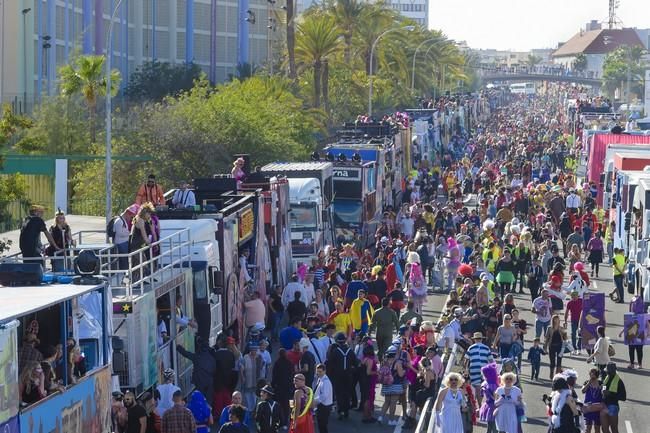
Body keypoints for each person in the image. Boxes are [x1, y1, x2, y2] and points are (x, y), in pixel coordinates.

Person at [326, 332, 357, 420]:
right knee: (347, 393)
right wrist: (351, 371)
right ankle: (346, 411)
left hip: (337, 376)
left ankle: (341, 411)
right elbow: (356, 363)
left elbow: (330, 365)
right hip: (348, 376)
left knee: (339, 394)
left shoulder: (335, 352)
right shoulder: (350, 351)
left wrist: (330, 375)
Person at [177, 337, 216, 406]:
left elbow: (186, 353)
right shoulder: (212, 357)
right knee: (208, 401)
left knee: (199, 400)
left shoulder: (197, 357)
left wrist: (178, 347)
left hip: (200, 382)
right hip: (209, 382)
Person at [464, 332, 493, 400]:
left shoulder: (471, 348)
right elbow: (491, 361)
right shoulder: (486, 348)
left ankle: (478, 406)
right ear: (481, 339)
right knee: (482, 387)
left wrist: (465, 369)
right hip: (484, 370)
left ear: (474, 339)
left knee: (477, 387)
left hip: (473, 369)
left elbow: (466, 360)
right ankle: (480, 404)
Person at [272, 349, 295, 428]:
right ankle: (286, 422)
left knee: (278, 405)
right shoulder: (290, 363)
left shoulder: (277, 363)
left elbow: (274, 376)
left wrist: (273, 385)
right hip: (288, 389)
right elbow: (292, 375)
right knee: (287, 406)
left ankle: (278, 421)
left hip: (278, 388)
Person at [601, 363, 626, 433]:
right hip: (604, 405)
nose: (607, 372)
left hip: (613, 406)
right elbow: (603, 388)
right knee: (604, 429)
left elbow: (623, 397)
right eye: (607, 371)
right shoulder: (606, 378)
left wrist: (610, 393)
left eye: (609, 371)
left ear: (614, 371)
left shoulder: (619, 382)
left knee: (614, 429)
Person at [241, 344, 264, 410]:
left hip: (256, 381)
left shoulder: (259, 357)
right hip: (248, 381)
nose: (254, 351)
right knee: (248, 397)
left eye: (255, 350)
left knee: (255, 398)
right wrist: (242, 377)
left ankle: (253, 410)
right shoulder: (245, 357)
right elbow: (241, 367)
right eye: (253, 350)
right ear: (250, 350)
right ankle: (250, 410)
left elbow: (263, 365)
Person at [359, 345, 378, 423]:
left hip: (364, 380)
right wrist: (377, 372)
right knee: (368, 399)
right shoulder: (370, 360)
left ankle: (367, 416)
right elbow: (368, 372)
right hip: (369, 381)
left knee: (366, 398)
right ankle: (367, 417)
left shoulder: (364, 359)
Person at [581, 368, 604, 433]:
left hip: (597, 408)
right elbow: (583, 391)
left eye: (593, 374)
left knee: (597, 428)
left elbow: (604, 393)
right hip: (588, 407)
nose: (591, 375)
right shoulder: (586, 382)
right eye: (590, 373)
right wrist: (589, 383)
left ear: (597, 375)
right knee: (588, 428)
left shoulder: (601, 383)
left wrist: (601, 389)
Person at [545, 314, 567, 379]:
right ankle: (551, 372)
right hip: (552, 346)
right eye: (555, 319)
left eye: (558, 319)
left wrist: (564, 332)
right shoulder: (549, 328)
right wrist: (545, 347)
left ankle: (557, 375)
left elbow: (565, 338)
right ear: (553, 320)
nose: (557, 320)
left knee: (559, 361)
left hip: (560, 346)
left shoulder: (561, 328)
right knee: (552, 361)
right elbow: (547, 338)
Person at [313, 364, 334, 433]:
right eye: (317, 371)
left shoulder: (326, 382)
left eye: (320, 371)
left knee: (323, 425)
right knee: (321, 425)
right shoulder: (320, 379)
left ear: (325, 371)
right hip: (321, 405)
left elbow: (324, 395)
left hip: (324, 406)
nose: (318, 373)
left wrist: (315, 401)